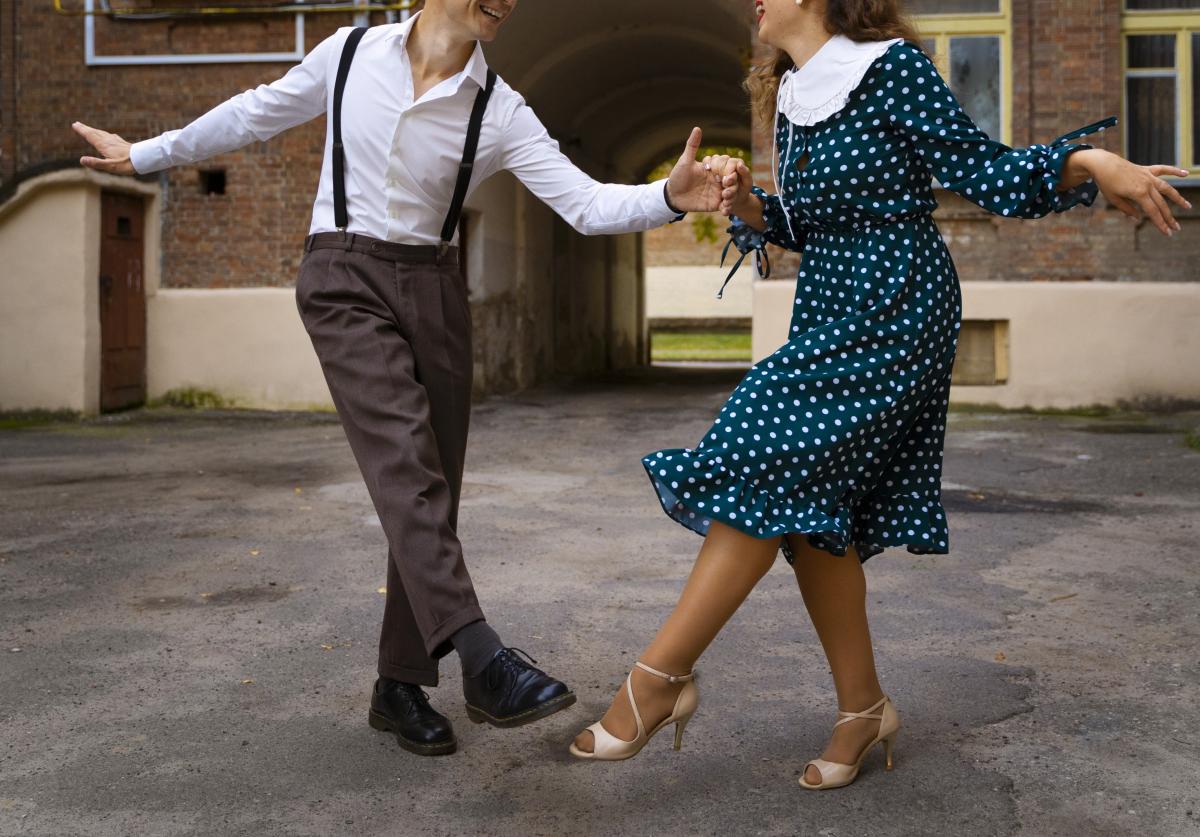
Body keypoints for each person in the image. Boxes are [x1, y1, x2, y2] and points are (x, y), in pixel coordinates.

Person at [72, 0, 729, 758]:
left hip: (435, 289)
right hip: (342, 273)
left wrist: (667, 198)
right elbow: (257, 113)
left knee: (429, 485)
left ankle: (398, 683)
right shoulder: (349, 54)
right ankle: (483, 658)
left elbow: (581, 202)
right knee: (402, 463)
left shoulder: (499, 108)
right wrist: (146, 153)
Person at [569, 0, 1189, 791]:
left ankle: (659, 678)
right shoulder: (793, 93)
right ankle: (863, 710)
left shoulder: (890, 68)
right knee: (810, 514)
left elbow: (984, 172)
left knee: (762, 445)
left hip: (897, 301)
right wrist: (751, 205)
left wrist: (1092, 164)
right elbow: (812, 223)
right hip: (830, 301)